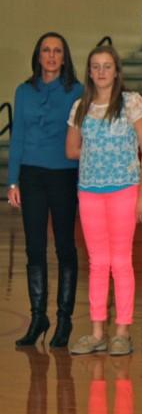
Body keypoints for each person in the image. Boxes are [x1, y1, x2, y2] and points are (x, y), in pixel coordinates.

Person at [66, 45, 142, 357]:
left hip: (124, 190)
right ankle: (96, 331)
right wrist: (99, 154)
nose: (101, 72)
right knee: (97, 263)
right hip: (90, 191)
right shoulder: (81, 106)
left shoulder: (132, 102)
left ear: (116, 71)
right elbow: (71, 149)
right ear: (89, 72)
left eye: (107, 66)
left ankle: (122, 331)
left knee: (120, 261)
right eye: (96, 67)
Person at [9, 32, 83, 348]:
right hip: (31, 175)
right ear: (38, 56)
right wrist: (12, 180)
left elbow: (84, 138)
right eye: (45, 50)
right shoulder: (23, 92)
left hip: (64, 175)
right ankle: (38, 316)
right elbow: (18, 139)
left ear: (64, 58)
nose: (51, 56)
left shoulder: (78, 92)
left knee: (65, 247)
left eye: (57, 51)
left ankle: (64, 319)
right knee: (34, 249)